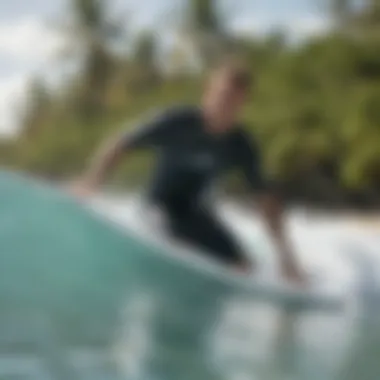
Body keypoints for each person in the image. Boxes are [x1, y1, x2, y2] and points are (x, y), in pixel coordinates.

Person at [71, 59, 306, 285]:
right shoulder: (177, 121)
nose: (225, 105)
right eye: (221, 96)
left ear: (243, 104)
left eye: (234, 100)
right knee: (174, 242)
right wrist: (91, 182)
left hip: (196, 212)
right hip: (158, 207)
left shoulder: (241, 145)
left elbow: (265, 200)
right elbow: (120, 142)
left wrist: (287, 257)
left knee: (243, 267)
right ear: (208, 93)